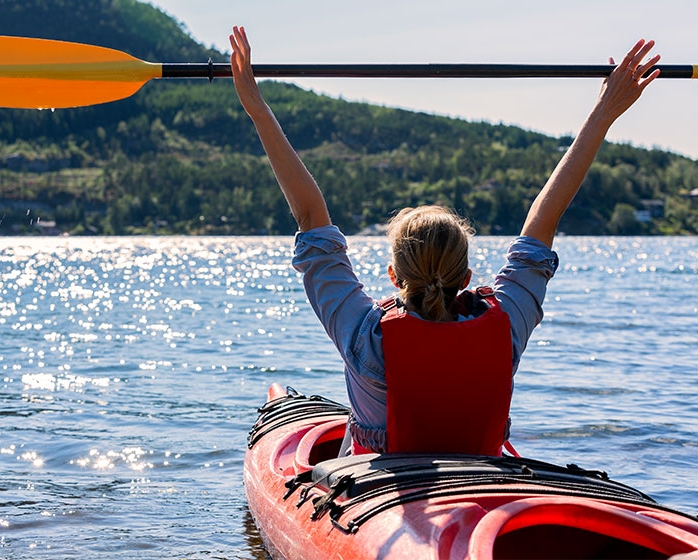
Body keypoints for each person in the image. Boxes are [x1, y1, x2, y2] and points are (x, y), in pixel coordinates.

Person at [229, 26, 660, 456]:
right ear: (467, 276)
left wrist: (257, 107)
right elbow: (544, 220)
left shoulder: (366, 337)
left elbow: (310, 217)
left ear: (394, 276)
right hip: (480, 483)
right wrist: (605, 111)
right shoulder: (504, 326)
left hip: (382, 495)